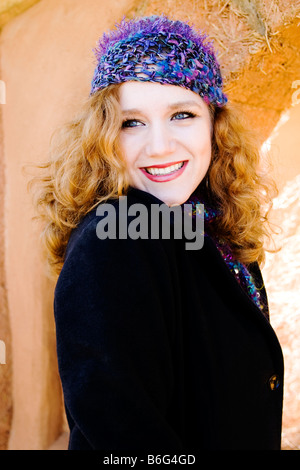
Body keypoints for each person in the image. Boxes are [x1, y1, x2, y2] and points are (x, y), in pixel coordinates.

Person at [32, 15, 284, 451]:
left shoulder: (211, 233)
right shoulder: (116, 237)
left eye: (181, 115)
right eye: (132, 123)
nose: (160, 146)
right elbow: (126, 440)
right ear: (103, 136)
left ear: (214, 125)